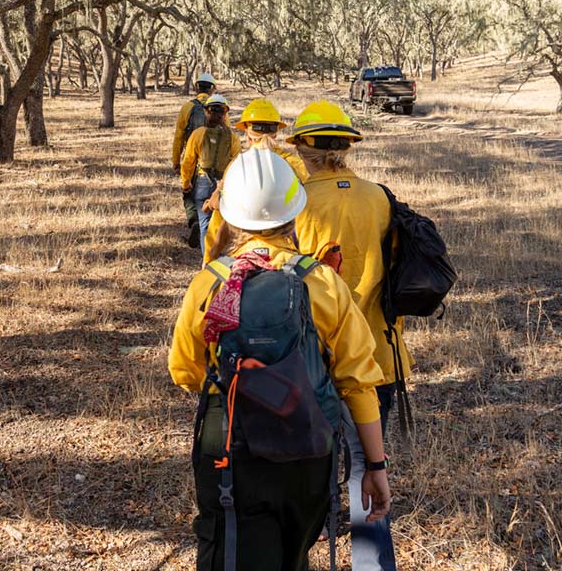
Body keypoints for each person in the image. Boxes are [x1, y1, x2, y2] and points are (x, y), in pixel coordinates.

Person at [169, 148, 391, 571]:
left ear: (231, 217)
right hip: (307, 451)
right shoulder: (323, 282)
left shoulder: (208, 284)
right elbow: (359, 383)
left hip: (231, 451)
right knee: (293, 554)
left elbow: (184, 371)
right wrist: (376, 466)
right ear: (295, 213)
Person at [285, 99, 413, 571]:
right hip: (374, 356)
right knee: (366, 469)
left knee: (307, 469)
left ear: (302, 147)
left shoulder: (294, 201)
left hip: (308, 359)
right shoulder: (378, 197)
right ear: (345, 146)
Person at [202, 98, 307, 265]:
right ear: (276, 132)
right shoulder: (294, 164)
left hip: (246, 254)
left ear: (247, 134)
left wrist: (209, 258)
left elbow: (220, 220)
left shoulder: (238, 167)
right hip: (291, 256)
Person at [180, 94, 241, 255]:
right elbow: (236, 162)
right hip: (224, 184)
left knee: (204, 224)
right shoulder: (233, 137)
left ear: (207, 112)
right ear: (225, 114)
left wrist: (186, 183)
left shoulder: (198, 134)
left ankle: (207, 260)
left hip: (202, 183)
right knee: (223, 224)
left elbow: (188, 162)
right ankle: (222, 255)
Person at [173, 73, 217, 248]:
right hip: (213, 161)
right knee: (212, 195)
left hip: (192, 157)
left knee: (188, 193)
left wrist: (176, 160)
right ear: (212, 89)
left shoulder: (187, 107)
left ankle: (194, 222)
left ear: (196, 87)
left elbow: (179, 136)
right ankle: (208, 229)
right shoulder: (219, 107)